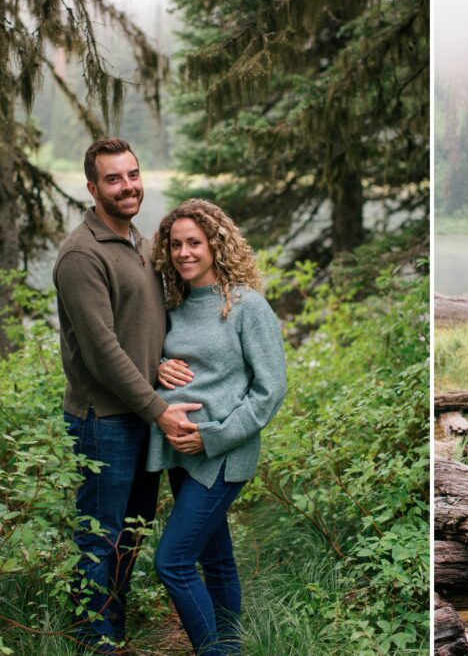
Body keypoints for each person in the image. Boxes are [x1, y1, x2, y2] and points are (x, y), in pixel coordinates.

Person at [54, 138, 203, 653]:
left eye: (133, 175)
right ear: (93, 188)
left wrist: (159, 363)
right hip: (106, 421)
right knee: (102, 536)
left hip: (139, 415)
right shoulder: (81, 255)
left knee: (132, 532)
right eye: (113, 179)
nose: (127, 186)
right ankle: (94, 640)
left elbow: (135, 329)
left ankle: (110, 628)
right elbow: (101, 352)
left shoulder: (139, 241)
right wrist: (160, 409)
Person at [146, 199, 288, 655]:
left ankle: (214, 652)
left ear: (216, 244)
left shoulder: (247, 306)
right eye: (176, 245)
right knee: (215, 555)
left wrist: (212, 436)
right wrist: (161, 365)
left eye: (194, 243)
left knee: (172, 561)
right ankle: (231, 644)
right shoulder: (175, 303)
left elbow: (270, 391)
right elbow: (171, 359)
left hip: (223, 454)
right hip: (178, 451)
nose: (184, 252)